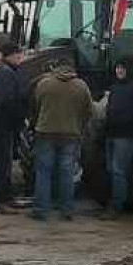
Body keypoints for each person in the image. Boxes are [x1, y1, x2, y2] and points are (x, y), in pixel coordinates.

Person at [32, 59, 93, 220]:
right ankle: (66, 210)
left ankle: (41, 210)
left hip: (45, 133)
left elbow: (37, 105)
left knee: (44, 172)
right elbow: (89, 110)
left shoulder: (44, 84)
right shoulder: (82, 86)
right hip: (71, 134)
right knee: (66, 173)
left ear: (56, 68)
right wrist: (79, 125)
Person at [102, 58, 133, 220]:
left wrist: (129, 121)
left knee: (118, 170)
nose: (119, 71)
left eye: (122, 68)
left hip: (127, 135)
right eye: (117, 68)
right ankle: (130, 197)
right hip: (111, 133)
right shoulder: (115, 87)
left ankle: (116, 205)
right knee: (113, 169)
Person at [0, 40, 24, 211]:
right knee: (1, 163)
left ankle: (6, 196)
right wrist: (18, 118)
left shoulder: (9, 72)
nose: (21, 57)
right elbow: (8, 101)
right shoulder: (6, 74)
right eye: (18, 54)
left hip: (5, 126)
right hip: (3, 126)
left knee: (5, 163)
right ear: (10, 56)